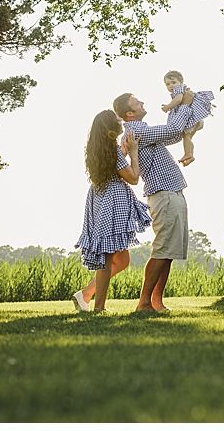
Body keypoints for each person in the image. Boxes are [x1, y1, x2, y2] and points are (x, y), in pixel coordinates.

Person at [113, 92, 205, 312]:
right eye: (137, 101)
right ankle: (144, 303)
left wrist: (184, 115)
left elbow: (172, 136)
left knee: (168, 253)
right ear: (129, 113)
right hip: (163, 195)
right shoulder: (136, 130)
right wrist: (185, 103)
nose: (143, 101)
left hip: (171, 192)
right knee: (162, 250)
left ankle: (156, 302)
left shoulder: (143, 130)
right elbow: (173, 131)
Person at [73, 110, 151, 313]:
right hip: (112, 201)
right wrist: (133, 151)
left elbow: (113, 167)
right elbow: (133, 178)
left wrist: (123, 152)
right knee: (106, 259)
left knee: (122, 260)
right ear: (110, 127)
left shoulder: (99, 150)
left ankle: (85, 295)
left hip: (99, 199)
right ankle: (99, 308)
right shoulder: (113, 151)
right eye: (118, 120)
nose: (122, 122)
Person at [159, 69, 215, 166]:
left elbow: (179, 99)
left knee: (186, 137)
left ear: (181, 82)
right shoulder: (181, 89)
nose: (171, 86)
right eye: (168, 84)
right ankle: (190, 154)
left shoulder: (179, 89)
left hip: (190, 118)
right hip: (196, 119)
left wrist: (168, 106)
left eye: (173, 82)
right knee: (187, 137)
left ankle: (188, 154)